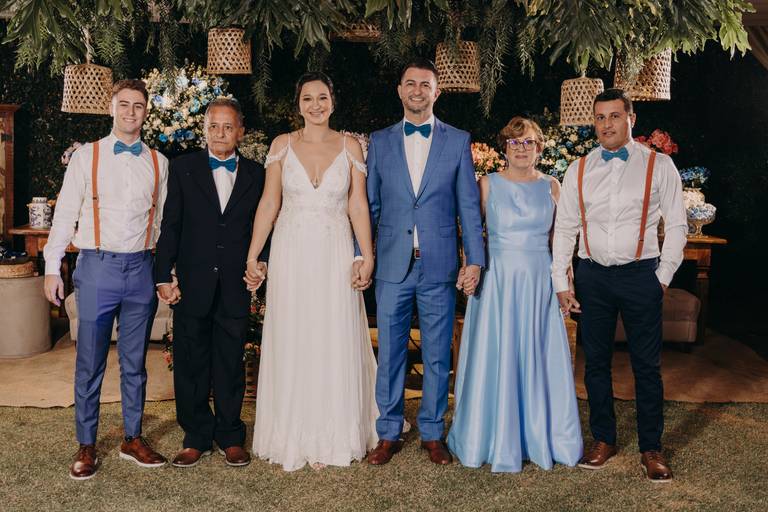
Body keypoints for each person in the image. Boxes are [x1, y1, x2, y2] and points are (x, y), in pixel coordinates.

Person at [244, 72, 378, 471]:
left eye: (322, 97)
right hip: (292, 253)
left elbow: (357, 204)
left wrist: (366, 255)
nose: (315, 105)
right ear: (298, 104)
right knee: (295, 333)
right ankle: (293, 432)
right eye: (307, 98)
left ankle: (333, 433)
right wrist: (253, 255)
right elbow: (269, 203)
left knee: (333, 333)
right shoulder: (281, 146)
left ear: (332, 101)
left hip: (335, 253)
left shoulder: (351, 146)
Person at [552, 88, 687, 482]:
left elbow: (677, 225)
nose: (606, 124)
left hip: (641, 276)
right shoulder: (578, 169)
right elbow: (565, 228)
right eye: (600, 117)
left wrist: (662, 277)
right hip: (592, 276)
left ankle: (651, 447)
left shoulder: (659, 165)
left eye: (614, 116)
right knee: (595, 363)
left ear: (631, 119)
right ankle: (603, 439)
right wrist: (561, 280)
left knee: (647, 366)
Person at [43, 79, 169, 480]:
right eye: (124, 104)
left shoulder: (159, 162)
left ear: (146, 111)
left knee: (135, 363)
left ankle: (133, 438)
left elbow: (162, 222)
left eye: (138, 105)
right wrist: (52, 266)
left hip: (141, 269)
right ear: (111, 109)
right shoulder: (87, 157)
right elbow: (65, 214)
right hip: (97, 267)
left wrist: (166, 271)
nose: (131, 112)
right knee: (90, 362)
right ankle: (87, 444)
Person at [366, 58, 485, 466]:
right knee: (390, 353)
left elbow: (468, 207)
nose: (417, 90)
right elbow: (371, 205)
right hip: (392, 266)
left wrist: (474, 260)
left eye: (425, 84)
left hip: (439, 265)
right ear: (399, 90)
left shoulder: (458, 141)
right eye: (410, 83)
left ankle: (433, 432)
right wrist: (362, 254)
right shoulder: (379, 141)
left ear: (437, 92)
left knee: (436, 354)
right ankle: (388, 431)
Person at [447, 117, 583, 472]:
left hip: (539, 280)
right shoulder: (486, 184)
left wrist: (564, 281)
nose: (521, 149)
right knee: (496, 353)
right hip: (497, 281)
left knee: (537, 353)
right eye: (514, 142)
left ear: (539, 148)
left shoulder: (552, 186)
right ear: (505, 147)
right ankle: (489, 435)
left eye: (529, 142)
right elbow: (471, 234)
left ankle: (538, 436)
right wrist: (470, 267)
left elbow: (559, 240)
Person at [154, 98, 269, 468]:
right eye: (213, 126)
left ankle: (231, 435)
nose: (220, 133)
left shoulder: (257, 174)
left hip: (235, 284)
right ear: (204, 129)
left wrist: (261, 262)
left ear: (241, 132)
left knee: (231, 362)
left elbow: (264, 227)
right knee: (191, 362)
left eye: (228, 127)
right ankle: (196, 436)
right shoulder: (183, 168)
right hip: (192, 283)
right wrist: (163, 275)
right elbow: (170, 225)